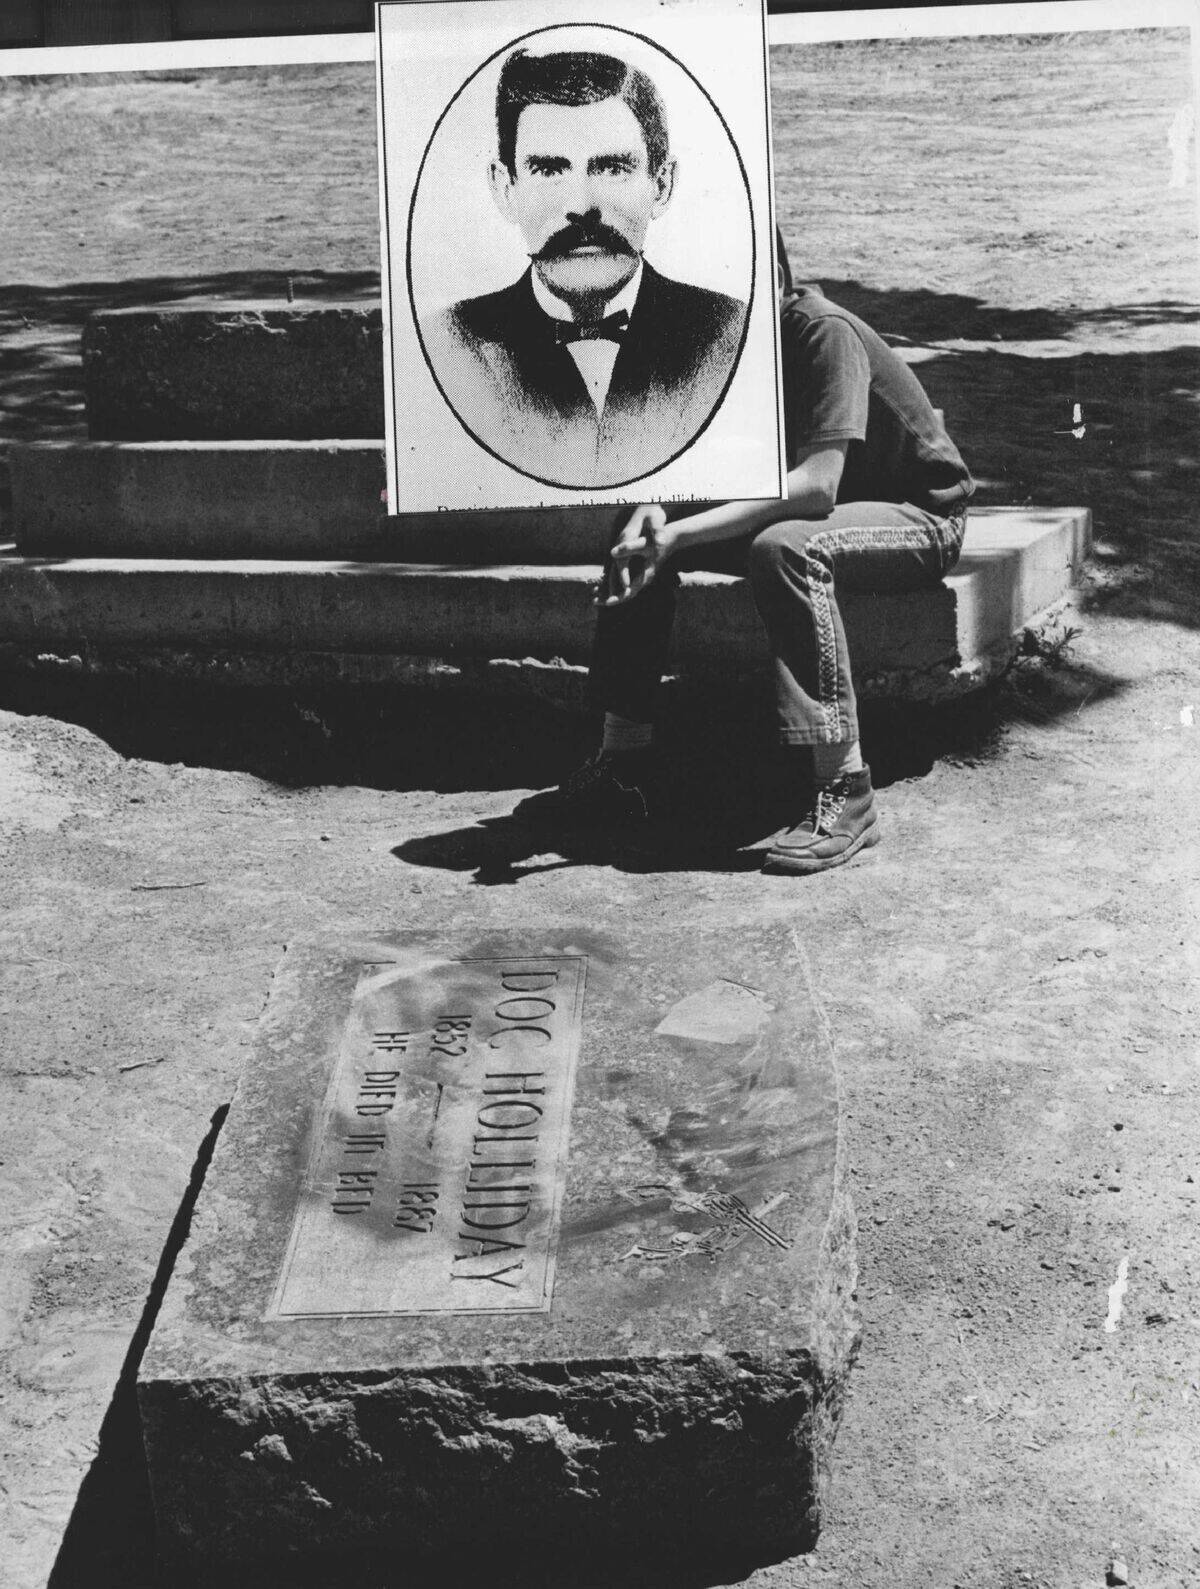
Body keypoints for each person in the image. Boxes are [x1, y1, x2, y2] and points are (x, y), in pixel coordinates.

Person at [514, 231, 974, 874]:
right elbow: (699, 452)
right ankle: (623, 766)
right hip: (826, 514)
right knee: (637, 531)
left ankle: (847, 789)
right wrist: (660, 508)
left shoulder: (822, 332)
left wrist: (684, 533)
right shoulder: (725, 339)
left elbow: (816, 488)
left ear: (775, 274)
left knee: (785, 548)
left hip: (917, 517)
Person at [419, 45, 747, 488]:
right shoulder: (449, 343)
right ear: (505, 189)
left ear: (662, 186)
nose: (582, 207)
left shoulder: (729, 333)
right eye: (549, 170)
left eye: (612, 168)